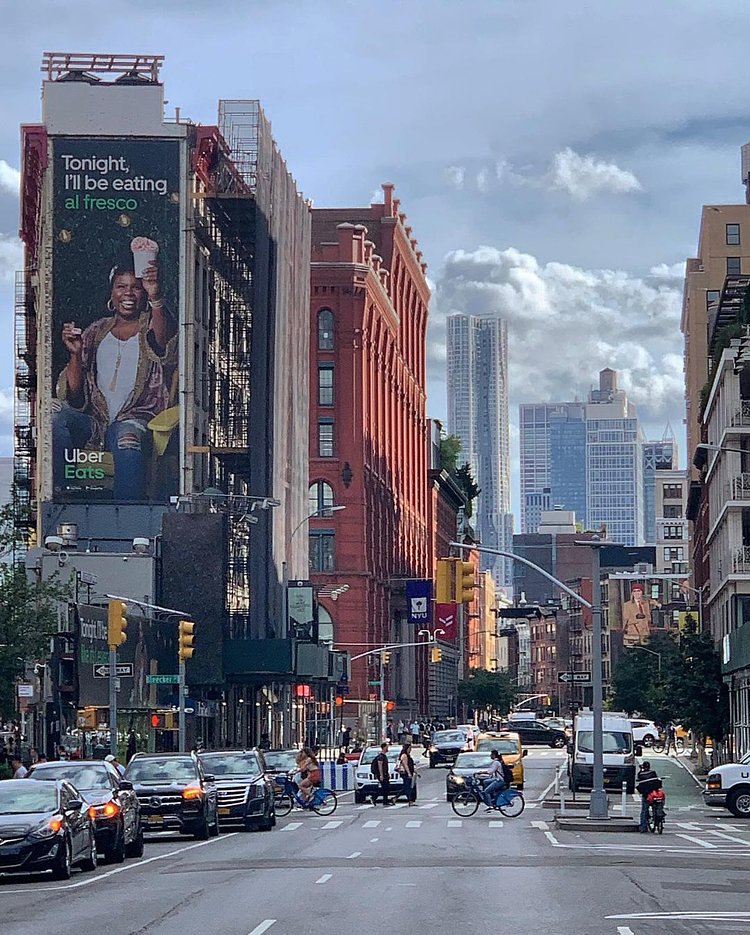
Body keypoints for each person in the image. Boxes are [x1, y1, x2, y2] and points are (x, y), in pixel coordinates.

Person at [52, 253, 177, 502]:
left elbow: (163, 341)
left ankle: (128, 515)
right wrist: (75, 354)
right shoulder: (96, 330)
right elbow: (75, 397)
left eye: (136, 287)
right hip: (95, 423)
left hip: (134, 418)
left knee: (126, 440)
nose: (128, 293)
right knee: (55, 418)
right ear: (111, 293)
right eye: (121, 287)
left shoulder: (152, 324)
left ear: (144, 294)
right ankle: (62, 496)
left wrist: (155, 296)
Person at [636, 760, 660, 833]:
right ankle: (658, 819)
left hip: (646, 795)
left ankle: (643, 827)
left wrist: (640, 770)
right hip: (654, 794)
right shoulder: (653, 772)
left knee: (644, 810)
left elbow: (639, 778)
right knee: (657, 806)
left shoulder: (641, 774)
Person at [371, 742, 392, 806]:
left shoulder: (384, 756)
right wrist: (381, 775)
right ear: (384, 747)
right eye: (387, 747)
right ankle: (374, 797)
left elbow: (385, 767)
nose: (387, 748)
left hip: (385, 774)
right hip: (382, 775)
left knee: (386, 788)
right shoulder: (381, 757)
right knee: (384, 788)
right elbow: (380, 766)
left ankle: (383, 801)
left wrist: (387, 773)